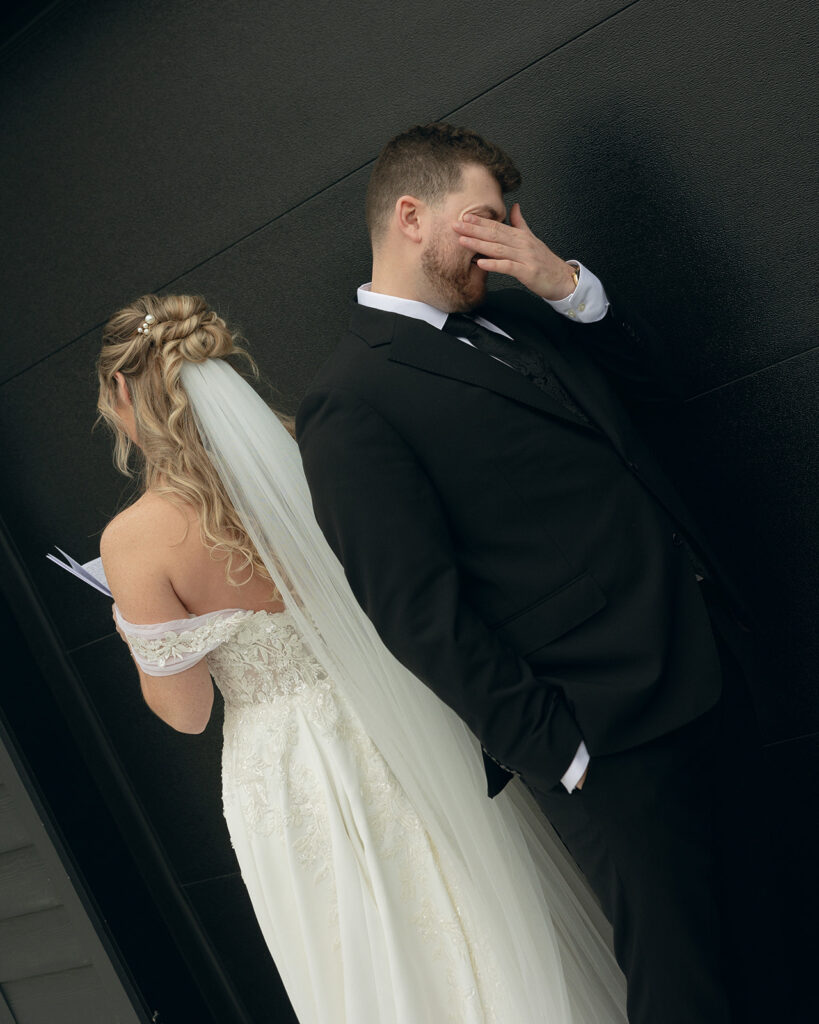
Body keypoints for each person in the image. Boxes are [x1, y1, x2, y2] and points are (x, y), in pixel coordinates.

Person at [296, 123, 778, 1023]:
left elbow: (657, 407)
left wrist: (563, 284)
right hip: (611, 738)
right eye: (482, 217)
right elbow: (416, 614)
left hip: (710, 672)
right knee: (686, 988)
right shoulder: (350, 402)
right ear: (411, 215)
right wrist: (566, 756)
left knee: (772, 937)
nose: (505, 237)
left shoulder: (520, 313)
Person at [96, 293, 628, 1024]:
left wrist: (139, 636)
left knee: (363, 952)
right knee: (476, 905)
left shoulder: (135, 540)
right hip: (400, 710)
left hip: (289, 768)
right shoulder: (308, 455)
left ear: (122, 393)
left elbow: (186, 713)